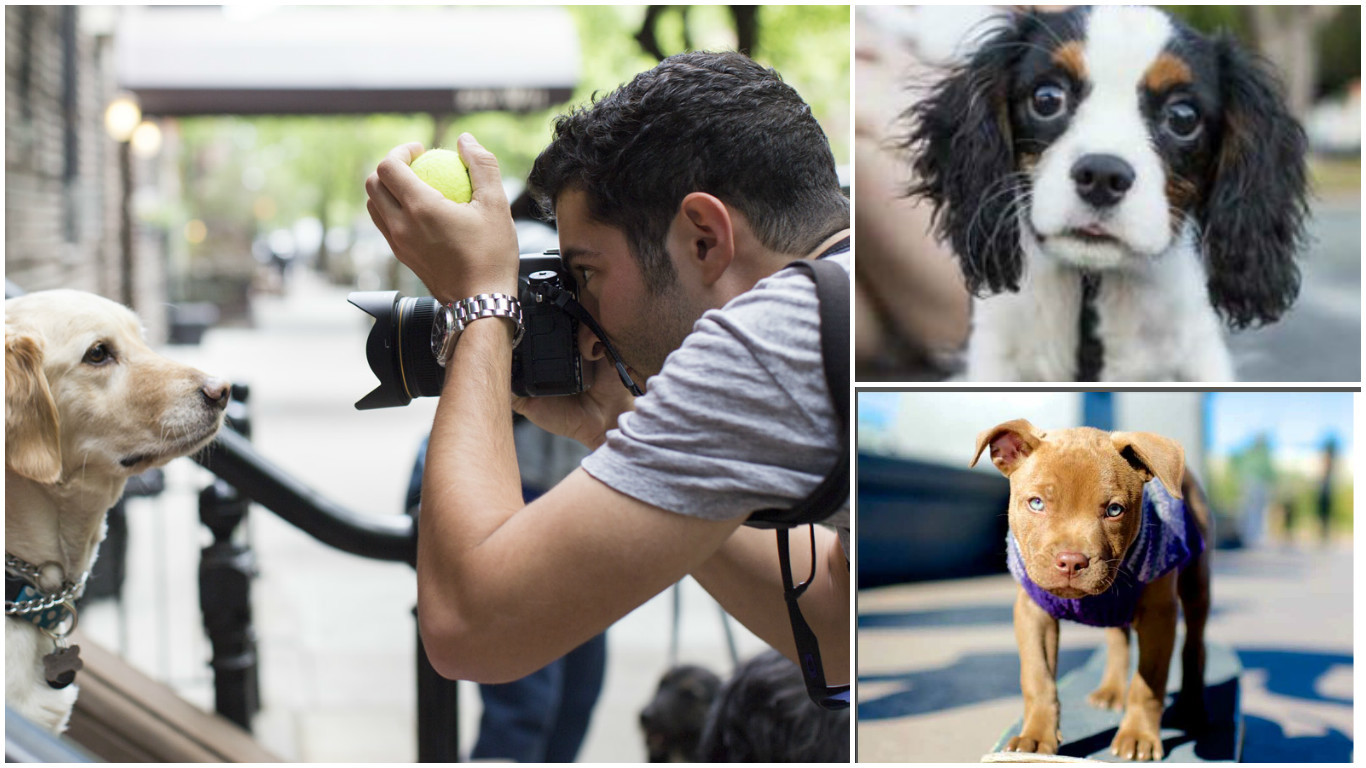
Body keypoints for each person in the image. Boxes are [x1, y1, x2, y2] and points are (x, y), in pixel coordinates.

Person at [364, 51, 849, 692]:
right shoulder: (842, 288)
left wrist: (480, 304)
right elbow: (838, 624)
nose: (586, 330)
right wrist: (616, 424)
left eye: (587, 274)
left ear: (703, 239)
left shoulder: (765, 342)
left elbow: (469, 625)